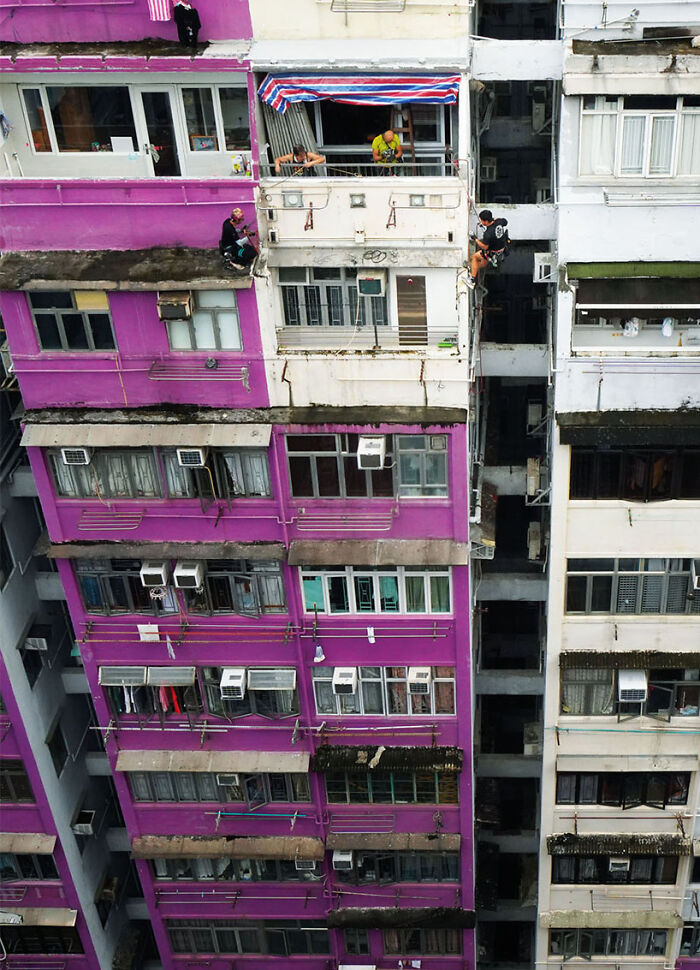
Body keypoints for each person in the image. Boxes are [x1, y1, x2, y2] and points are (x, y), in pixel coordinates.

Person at [467, 210, 510, 288]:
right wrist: (495, 221)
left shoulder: (488, 234)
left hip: (492, 252)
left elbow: (484, 247)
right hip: (501, 250)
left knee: (475, 257)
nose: (481, 222)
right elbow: (505, 221)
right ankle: (474, 268)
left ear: (486, 221)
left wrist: (475, 239)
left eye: (481, 220)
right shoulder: (499, 222)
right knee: (483, 264)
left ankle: (472, 279)